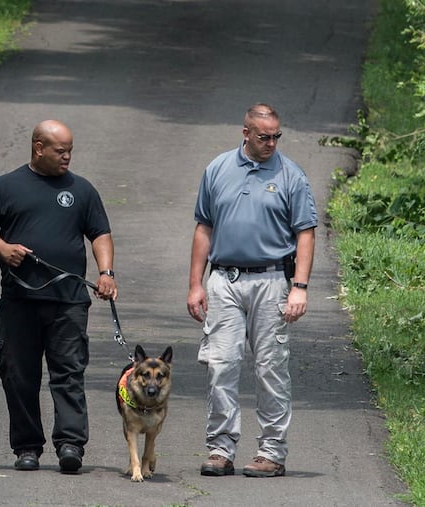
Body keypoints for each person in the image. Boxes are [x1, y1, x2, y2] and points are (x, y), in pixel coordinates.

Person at [0, 120, 117, 474]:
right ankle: (27, 447)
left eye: (70, 151)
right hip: (19, 300)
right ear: (39, 148)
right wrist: (3, 248)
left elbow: (100, 233)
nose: (67, 157)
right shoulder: (7, 186)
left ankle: (70, 444)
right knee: (18, 374)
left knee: (68, 372)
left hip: (68, 301)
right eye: (60, 151)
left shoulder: (81, 190)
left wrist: (106, 273)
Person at [187, 103, 317, 478]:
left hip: (271, 280)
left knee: (270, 368)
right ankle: (220, 448)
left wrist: (300, 288)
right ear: (246, 133)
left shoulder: (291, 175)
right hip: (224, 279)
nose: (271, 143)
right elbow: (203, 229)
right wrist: (196, 284)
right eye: (264, 137)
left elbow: (305, 233)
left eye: (277, 136)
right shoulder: (218, 169)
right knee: (220, 365)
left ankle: (271, 452)